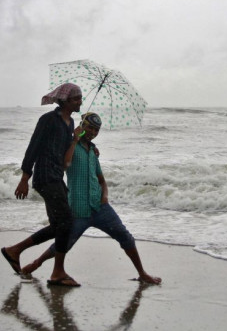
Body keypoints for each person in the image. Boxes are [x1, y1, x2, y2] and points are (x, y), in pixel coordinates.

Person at [21, 112, 161, 285]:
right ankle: (37, 263)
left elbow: (101, 180)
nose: (93, 132)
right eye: (90, 128)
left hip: (100, 207)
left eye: (96, 130)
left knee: (125, 236)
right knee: (64, 243)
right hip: (78, 209)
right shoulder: (70, 146)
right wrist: (74, 140)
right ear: (82, 126)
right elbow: (65, 165)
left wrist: (105, 196)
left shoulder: (93, 152)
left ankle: (142, 273)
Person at [1, 83, 83, 287]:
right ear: (65, 101)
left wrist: (78, 141)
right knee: (66, 221)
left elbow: (66, 158)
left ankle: (15, 250)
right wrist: (24, 179)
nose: (80, 102)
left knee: (60, 225)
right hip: (45, 177)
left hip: (56, 177)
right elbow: (33, 148)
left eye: (80, 98)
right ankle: (58, 273)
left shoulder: (70, 123)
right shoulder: (48, 120)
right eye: (76, 99)